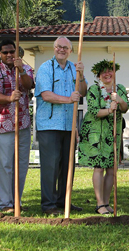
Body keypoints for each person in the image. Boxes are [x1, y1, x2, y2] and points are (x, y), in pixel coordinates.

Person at [34, 36, 87, 216]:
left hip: (69, 125)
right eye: (58, 47)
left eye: (65, 47)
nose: (61, 50)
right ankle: (48, 204)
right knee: (50, 166)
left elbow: (83, 92)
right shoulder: (45, 68)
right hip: (49, 125)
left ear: (70, 50)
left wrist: (81, 75)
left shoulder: (74, 68)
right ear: (54, 48)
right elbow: (46, 95)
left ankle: (64, 201)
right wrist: (68, 99)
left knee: (68, 165)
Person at [0, 40, 34, 213]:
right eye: (5, 52)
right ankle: (5, 203)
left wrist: (20, 71)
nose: (9, 55)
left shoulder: (26, 69)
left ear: (17, 52)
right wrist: (9, 98)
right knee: (5, 165)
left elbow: (29, 85)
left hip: (23, 124)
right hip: (2, 124)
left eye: (12, 51)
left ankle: (16, 201)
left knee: (21, 164)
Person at [79, 59, 129, 215]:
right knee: (99, 167)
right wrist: (109, 110)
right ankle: (99, 204)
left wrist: (119, 100)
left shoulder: (120, 88)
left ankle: (106, 202)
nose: (107, 74)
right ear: (99, 75)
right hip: (97, 133)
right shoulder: (94, 89)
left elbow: (125, 108)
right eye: (103, 72)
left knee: (112, 169)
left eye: (110, 71)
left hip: (114, 133)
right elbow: (94, 111)